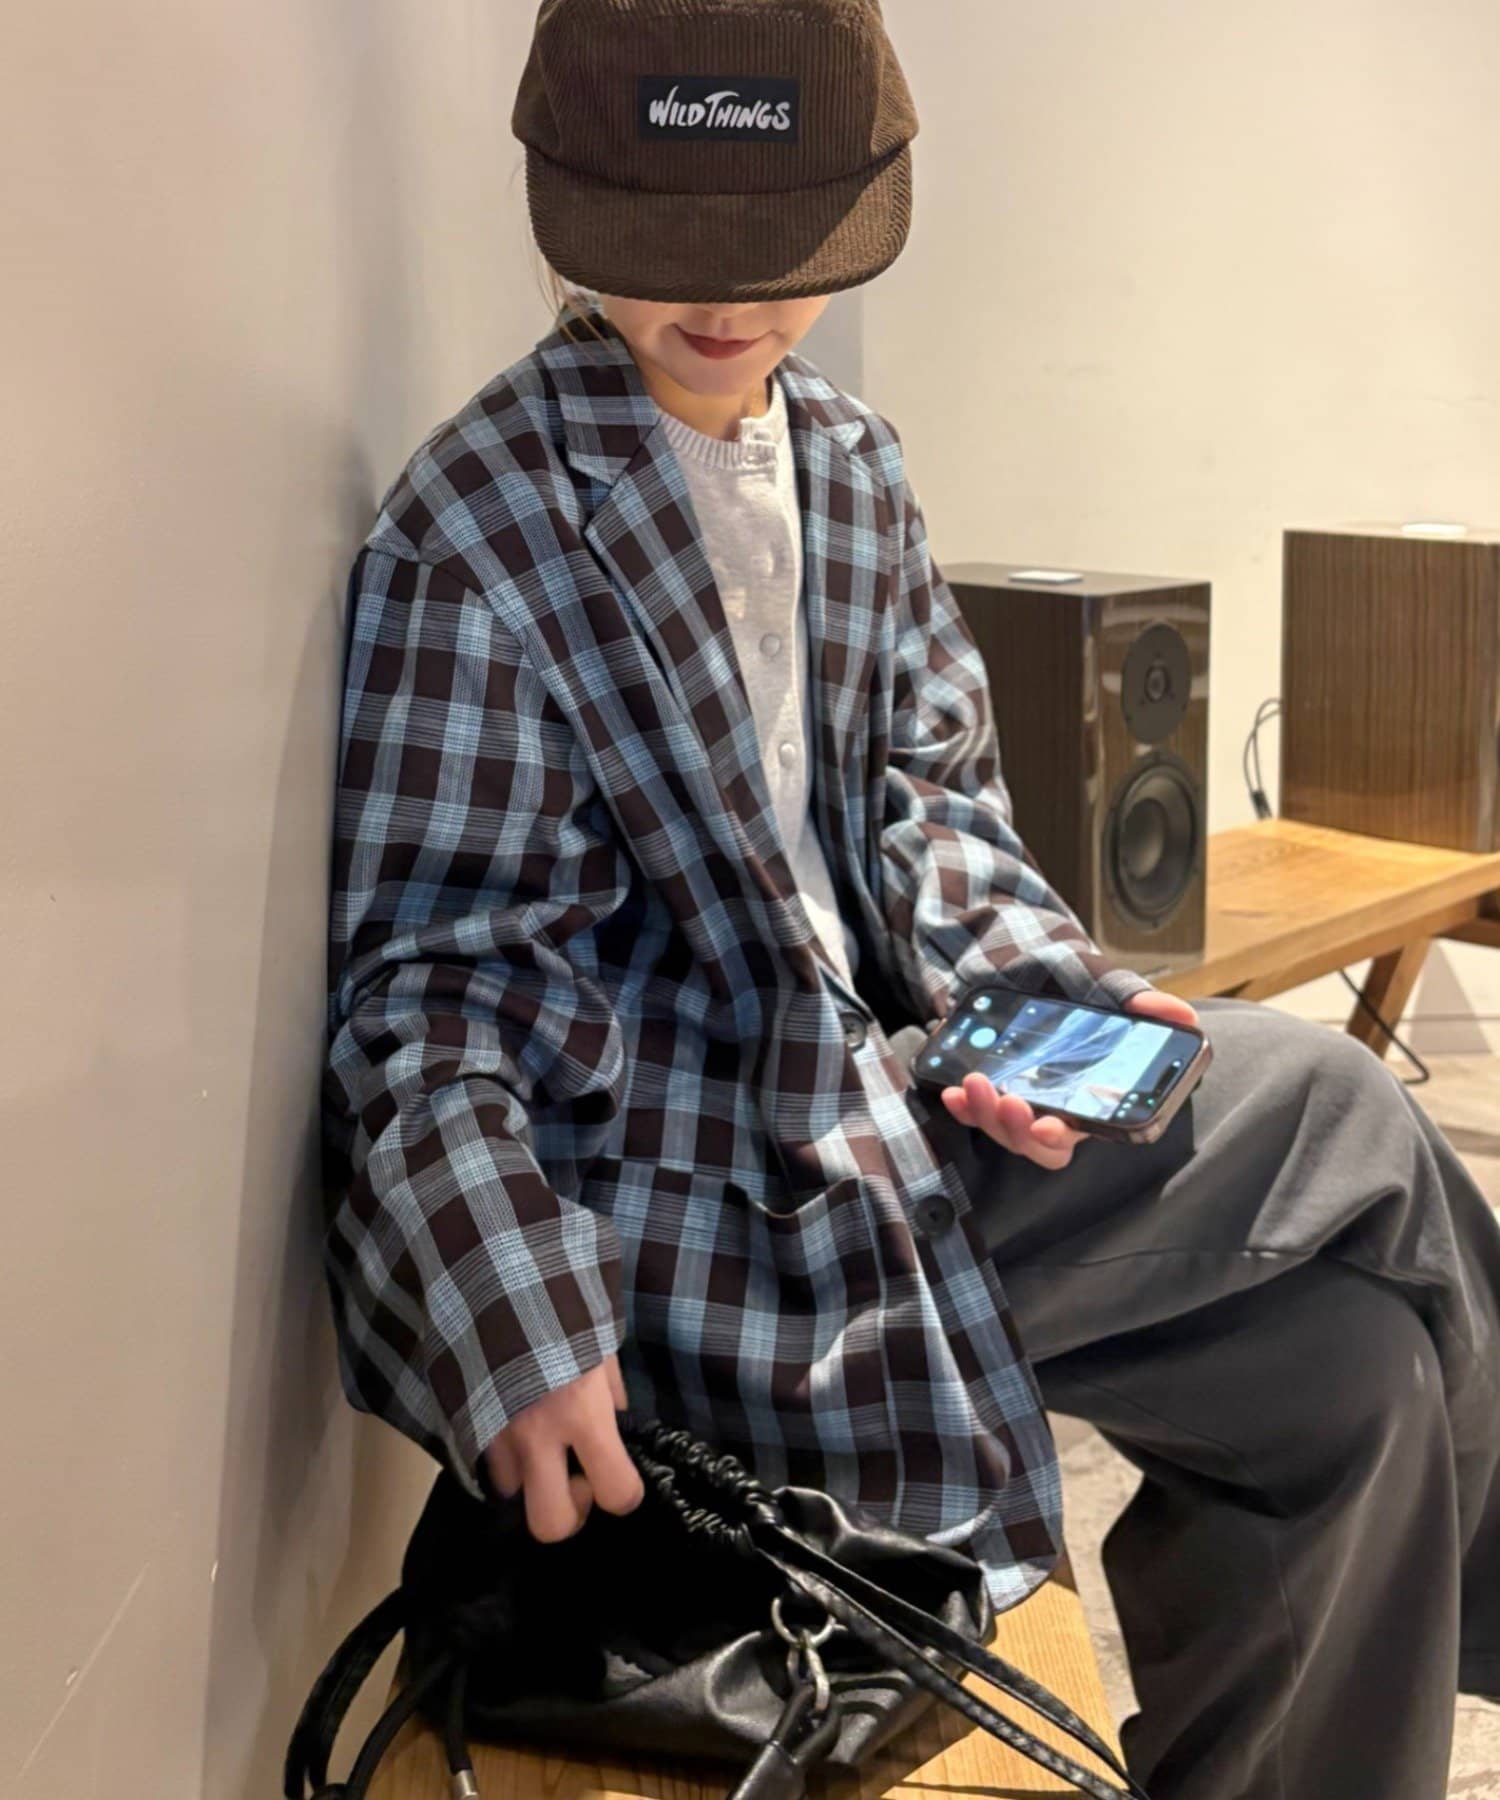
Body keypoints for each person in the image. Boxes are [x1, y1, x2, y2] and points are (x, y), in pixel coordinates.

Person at [317, 2, 1500, 1795]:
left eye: (783, 243)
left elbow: (935, 803)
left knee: (1352, 1385)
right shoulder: (477, 526)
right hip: (692, 1214)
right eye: (668, 241)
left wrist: (1037, 1001)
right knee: (1341, 1105)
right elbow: (433, 988)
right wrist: (517, 1312)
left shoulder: (852, 466)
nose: (729, 300)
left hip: (900, 1106)